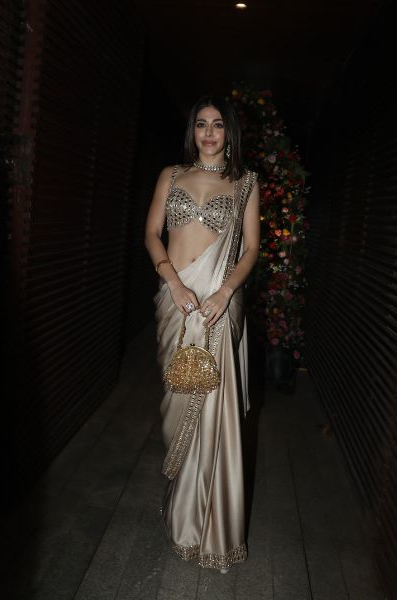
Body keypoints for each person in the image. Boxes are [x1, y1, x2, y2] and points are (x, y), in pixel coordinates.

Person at [144, 95, 260, 572]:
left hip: (216, 307)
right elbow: (151, 234)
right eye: (201, 124)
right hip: (175, 303)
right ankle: (181, 505)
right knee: (177, 405)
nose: (209, 133)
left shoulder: (246, 183)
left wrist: (226, 292)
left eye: (217, 125)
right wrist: (173, 282)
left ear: (229, 132)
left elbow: (251, 248)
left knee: (215, 413)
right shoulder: (170, 176)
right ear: (192, 131)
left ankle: (208, 529)